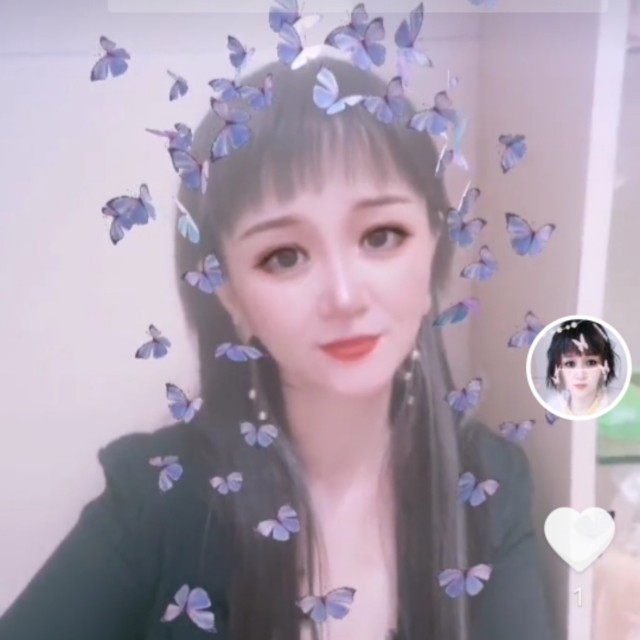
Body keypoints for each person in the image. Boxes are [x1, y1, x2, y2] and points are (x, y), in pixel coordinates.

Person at [0, 56, 555, 640]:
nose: (344, 296)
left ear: (434, 251)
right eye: (284, 256)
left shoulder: (488, 485)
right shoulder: (159, 500)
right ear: (230, 297)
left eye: (381, 236)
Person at [543, 318, 619, 418]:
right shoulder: (552, 407)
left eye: (591, 362)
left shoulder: (617, 409)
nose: (580, 375)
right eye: (570, 364)